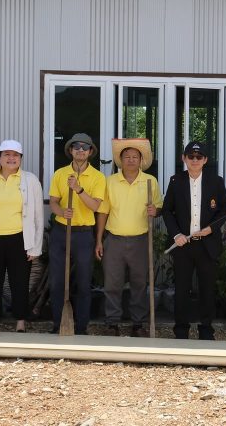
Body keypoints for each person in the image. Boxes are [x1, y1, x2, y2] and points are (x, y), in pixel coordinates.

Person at [0, 139, 44, 333]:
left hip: (20, 239)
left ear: (21, 159)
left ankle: (20, 321)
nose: (11, 158)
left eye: (15, 155)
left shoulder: (30, 180)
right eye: (6, 154)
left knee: (19, 282)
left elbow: (38, 216)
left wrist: (35, 246)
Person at [162, 141, 226, 340]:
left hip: (207, 245)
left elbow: (224, 211)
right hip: (184, 244)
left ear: (205, 160)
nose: (194, 160)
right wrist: (176, 235)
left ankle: (206, 329)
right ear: (184, 159)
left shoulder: (216, 181)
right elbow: (167, 210)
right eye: (190, 156)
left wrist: (210, 229)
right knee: (182, 288)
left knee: (207, 288)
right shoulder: (176, 181)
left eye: (199, 157)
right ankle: (181, 330)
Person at [96, 138, 163, 337]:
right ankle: (112, 323)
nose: (131, 160)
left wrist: (155, 210)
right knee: (112, 283)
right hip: (114, 239)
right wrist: (99, 239)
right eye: (127, 157)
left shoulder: (150, 181)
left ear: (141, 160)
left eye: (135, 157)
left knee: (139, 284)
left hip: (141, 239)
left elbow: (159, 208)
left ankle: (138, 324)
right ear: (121, 160)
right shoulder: (111, 182)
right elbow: (103, 211)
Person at [48, 133, 105, 335]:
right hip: (61, 232)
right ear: (70, 150)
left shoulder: (98, 177)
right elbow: (53, 202)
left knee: (83, 282)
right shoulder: (60, 174)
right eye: (76, 147)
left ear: (90, 152)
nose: (80, 150)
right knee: (57, 281)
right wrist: (62, 211)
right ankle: (58, 324)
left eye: (85, 147)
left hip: (83, 234)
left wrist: (78, 189)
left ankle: (81, 327)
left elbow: (95, 206)